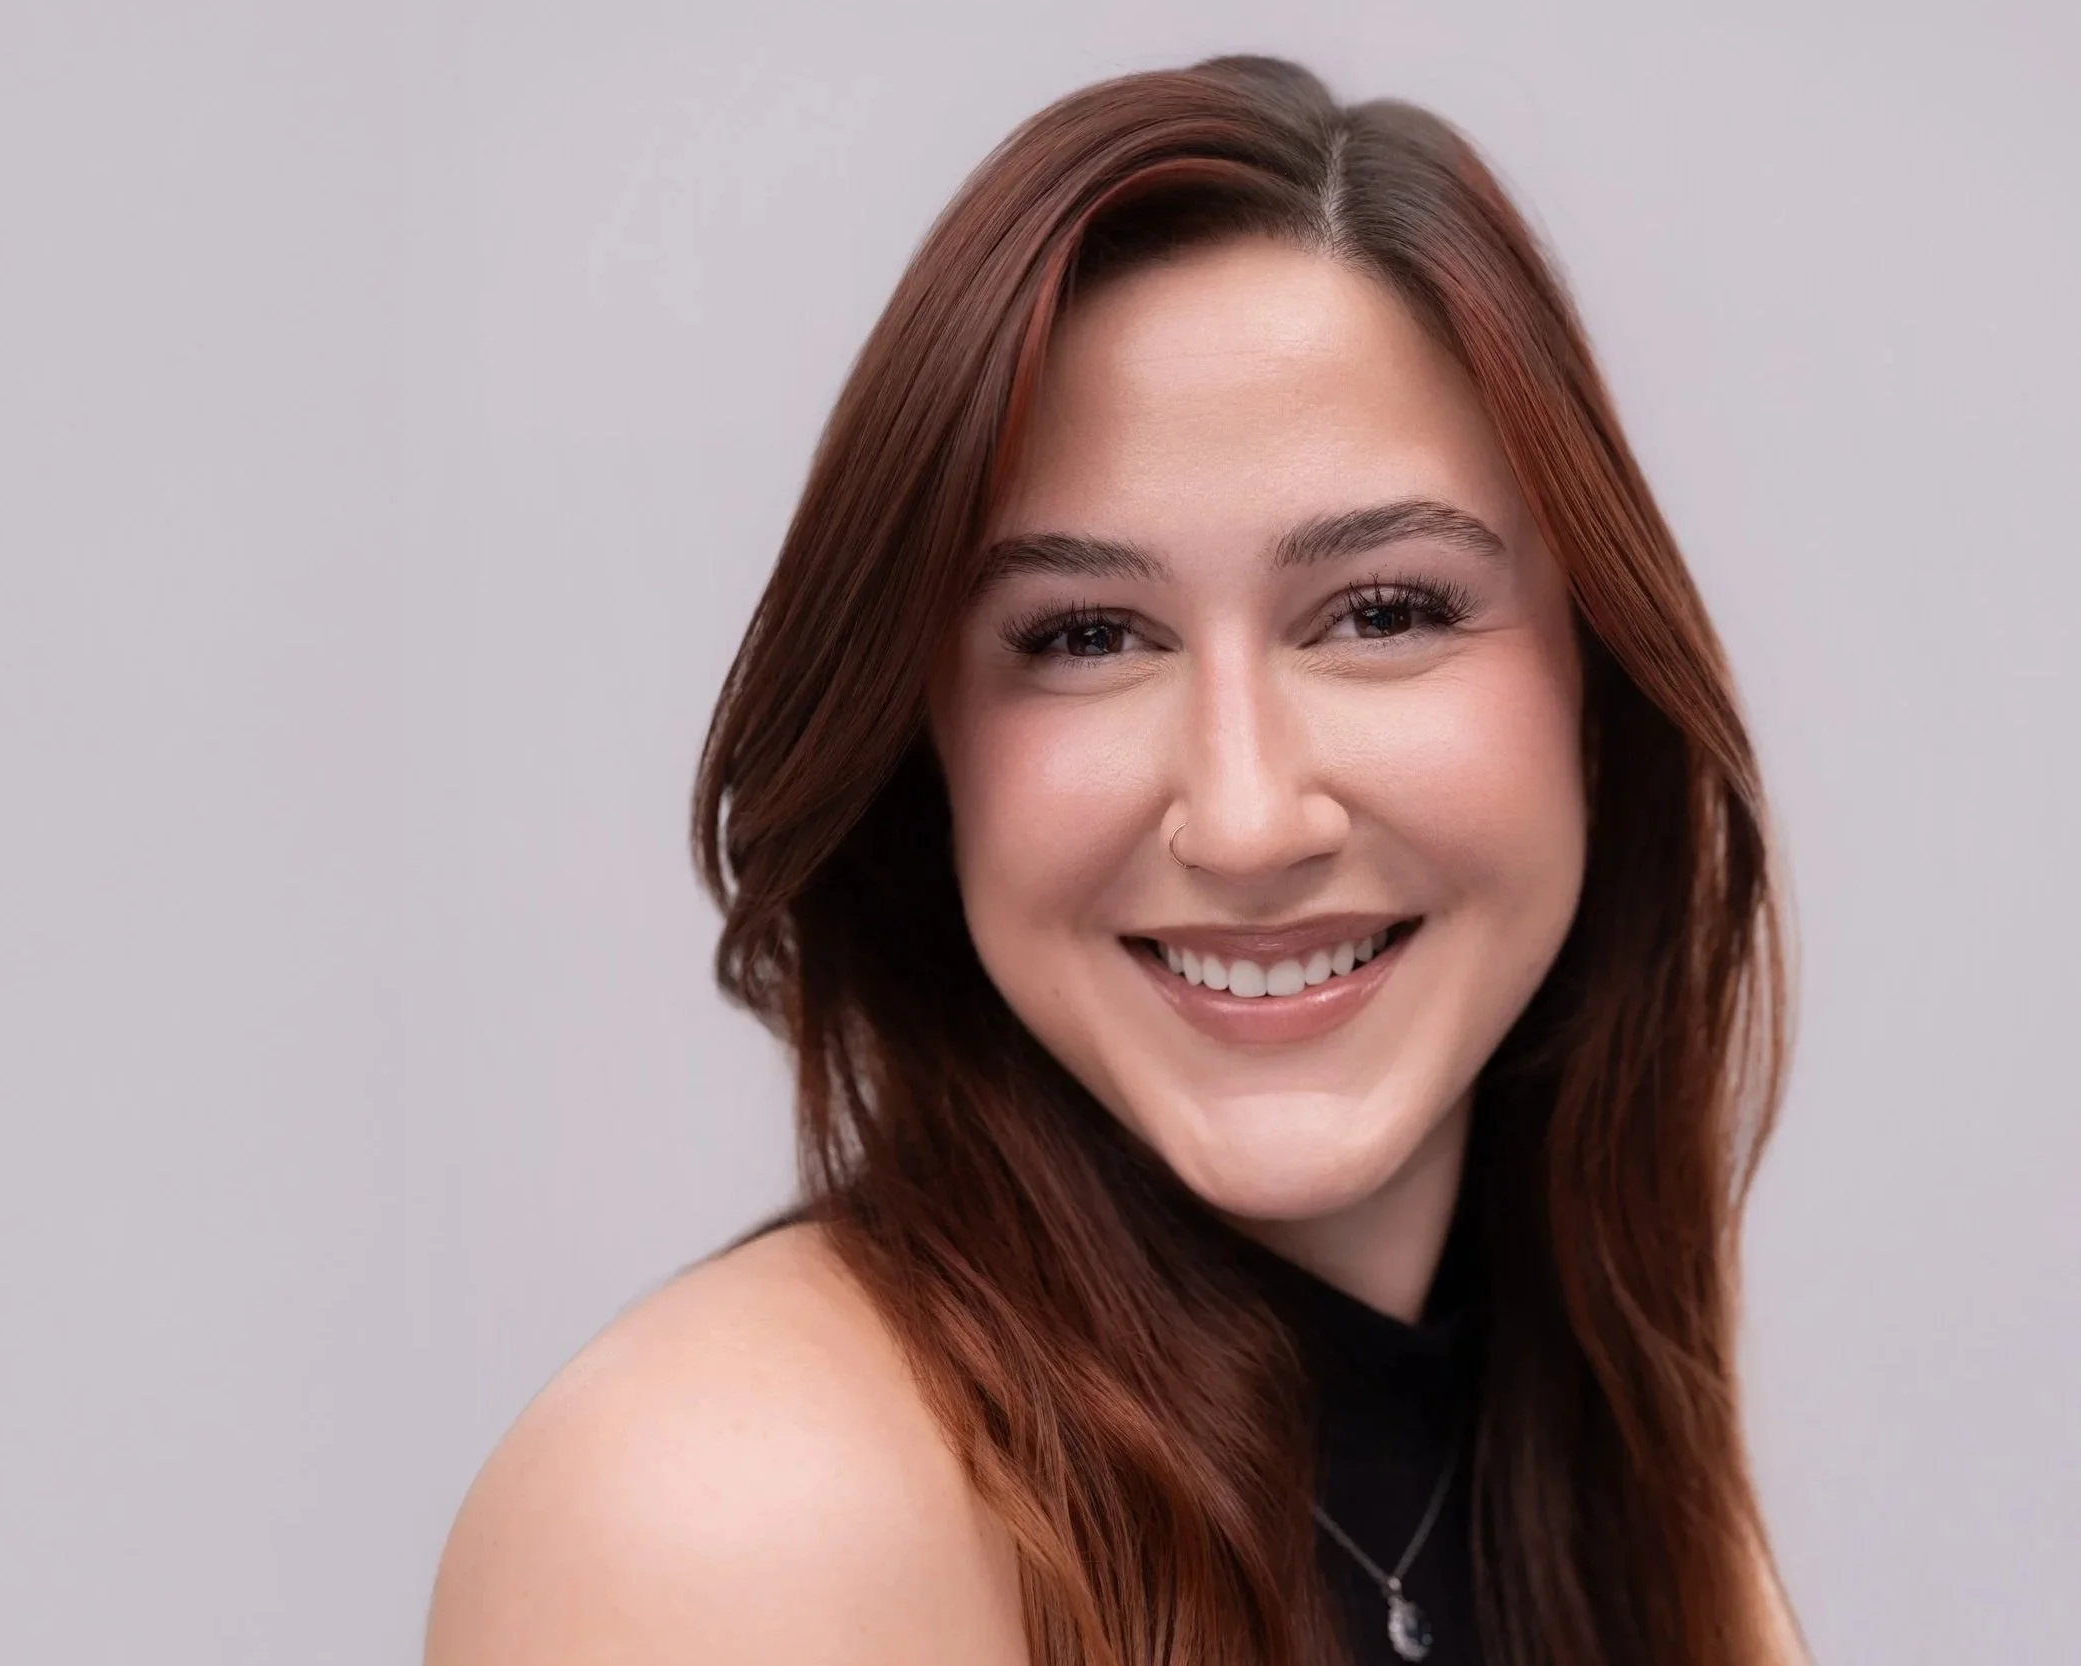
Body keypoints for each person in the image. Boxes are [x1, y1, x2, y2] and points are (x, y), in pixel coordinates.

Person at [428, 53, 1807, 1666]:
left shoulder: (1604, 1453)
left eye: (1383, 611)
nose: (1243, 815)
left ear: (1598, 686)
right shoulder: (720, 1516)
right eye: (1088, 634)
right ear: (923, 740)